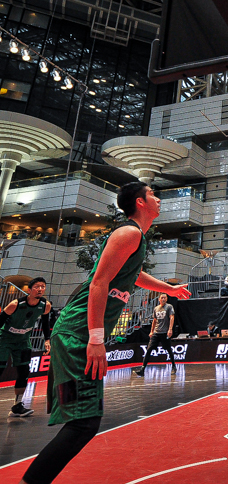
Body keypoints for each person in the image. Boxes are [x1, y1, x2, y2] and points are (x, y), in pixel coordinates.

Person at [21, 182, 191, 484]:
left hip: (74, 335)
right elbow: (99, 283)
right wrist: (96, 339)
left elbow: (135, 275)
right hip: (76, 335)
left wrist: (169, 289)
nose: (158, 198)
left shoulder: (136, 238)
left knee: (81, 420)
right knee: (84, 423)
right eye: (153, 193)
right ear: (140, 202)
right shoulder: (129, 233)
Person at [0, 277, 52, 417]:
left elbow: (45, 323)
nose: (40, 289)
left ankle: (17, 406)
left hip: (23, 341)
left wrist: (47, 339)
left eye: (42, 286)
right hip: (4, 339)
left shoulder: (45, 305)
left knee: (24, 372)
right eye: (37, 287)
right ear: (29, 290)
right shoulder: (15, 304)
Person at [133, 293, 176, 376]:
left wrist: (170, 329)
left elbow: (172, 317)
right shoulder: (156, 308)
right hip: (156, 332)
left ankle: (173, 366)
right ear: (159, 299)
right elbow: (154, 320)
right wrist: (151, 331)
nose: (163, 299)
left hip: (164, 332)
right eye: (162, 298)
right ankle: (142, 369)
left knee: (168, 349)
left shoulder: (169, 307)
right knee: (149, 349)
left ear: (167, 299)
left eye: (165, 298)